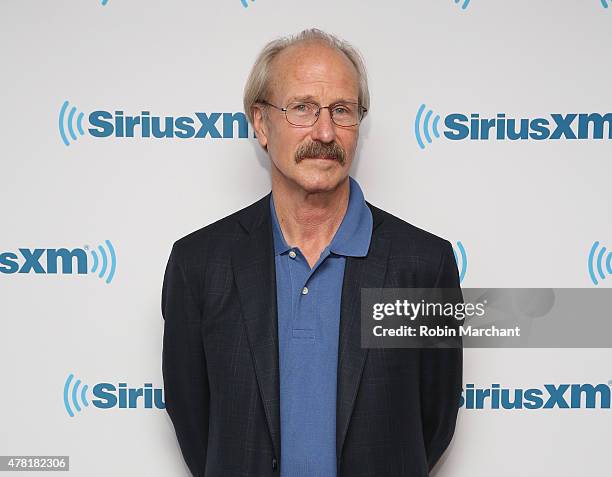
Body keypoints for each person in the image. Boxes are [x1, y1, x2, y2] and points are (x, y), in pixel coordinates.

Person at [162, 28, 462, 477]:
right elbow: (193, 418)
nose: (325, 131)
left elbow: (433, 421)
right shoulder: (200, 264)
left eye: (342, 111)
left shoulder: (422, 265)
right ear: (261, 124)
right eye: (302, 108)